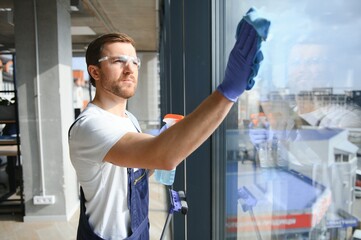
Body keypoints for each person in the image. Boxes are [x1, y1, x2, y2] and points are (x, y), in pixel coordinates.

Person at [68, 10, 270, 239]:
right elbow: (163, 156)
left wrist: (165, 142)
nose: (130, 68)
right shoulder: (89, 126)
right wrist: (228, 93)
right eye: (118, 61)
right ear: (94, 71)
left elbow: (145, 164)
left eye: (134, 61)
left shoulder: (129, 119)